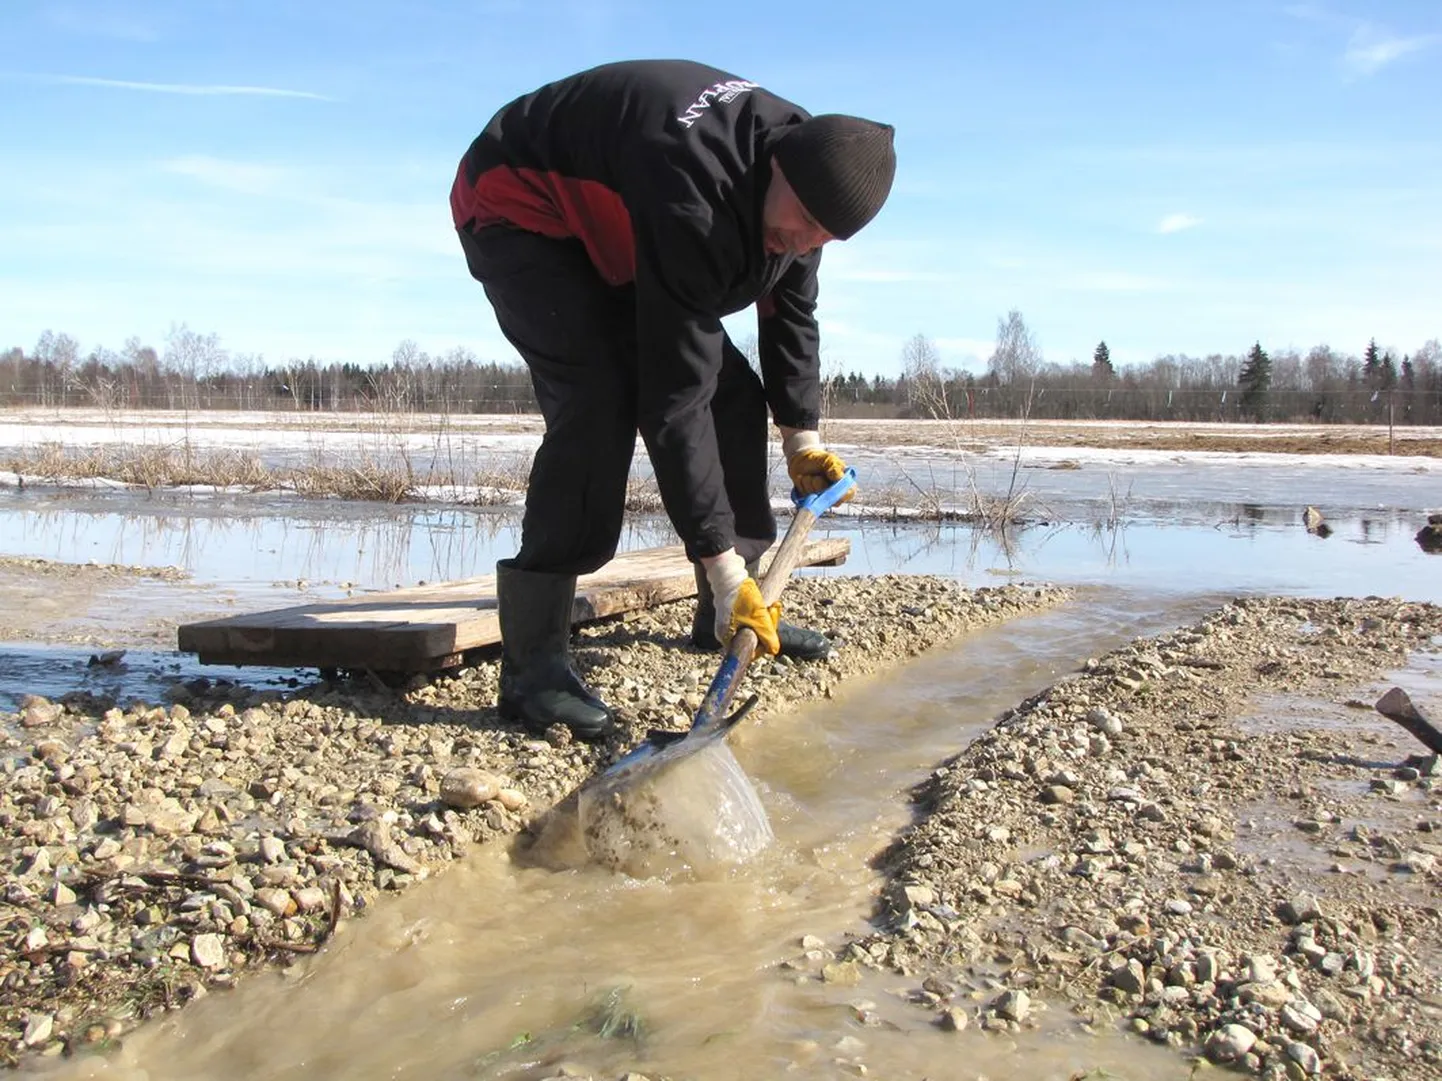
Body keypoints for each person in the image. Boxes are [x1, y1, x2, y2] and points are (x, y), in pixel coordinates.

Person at [450, 59, 896, 742]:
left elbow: (792, 314)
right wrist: (718, 562)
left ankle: (723, 613)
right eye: (803, 222)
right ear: (777, 169)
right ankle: (533, 669)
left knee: (737, 399)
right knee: (597, 401)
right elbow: (673, 400)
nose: (805, 242)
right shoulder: (698, 192)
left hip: (627, 215)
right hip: (519, 205)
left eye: (823, 238)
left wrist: (801, 437)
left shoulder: (813, 187)